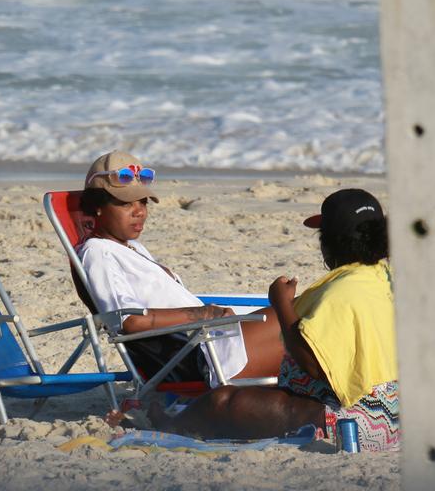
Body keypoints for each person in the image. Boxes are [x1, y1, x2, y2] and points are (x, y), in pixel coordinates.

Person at [148, 188, 400, 452]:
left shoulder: (341, 292)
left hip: (357, 423)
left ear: (329, 243)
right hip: (393, 413)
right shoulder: (383, 277)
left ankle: (169, 426)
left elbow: (313, 365)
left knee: (224, 402)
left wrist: (281, 304)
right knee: (259, 399)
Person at [78, 151, 284, 386]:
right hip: (202, 358)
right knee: (297, 316)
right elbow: (127, 321)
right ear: (97, 207)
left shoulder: (132, 247)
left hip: (211, 340)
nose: (140, 212)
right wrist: (204, 313)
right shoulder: (98, 252)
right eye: (126, 203)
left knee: (305, 312)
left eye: (143, 202)